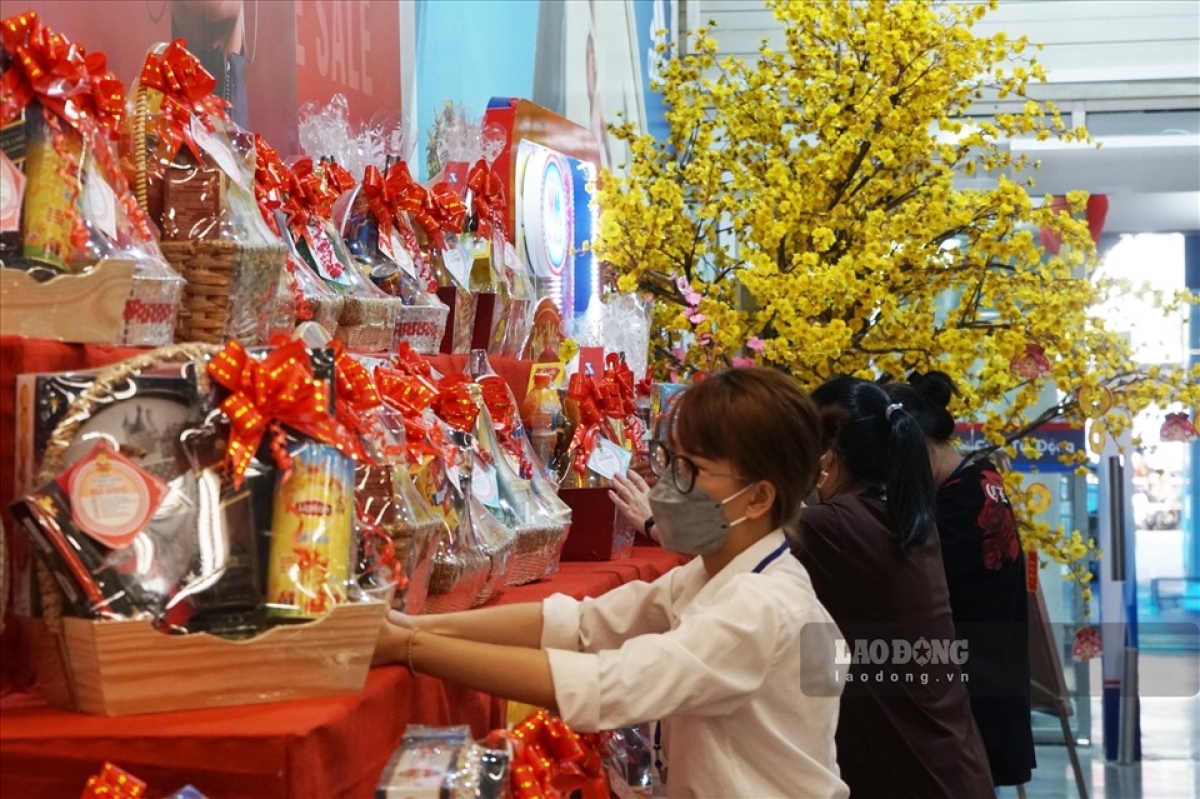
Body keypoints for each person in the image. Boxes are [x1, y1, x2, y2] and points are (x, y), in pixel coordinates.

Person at [374, 367, 849, 798]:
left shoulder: (761, 604)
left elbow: (606, 686)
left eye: (694, 470)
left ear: (758, 498)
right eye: (672, 461)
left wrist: (412, 649)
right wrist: (413, 628)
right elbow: (581, 624)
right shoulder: (713, 574)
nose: (670, 484)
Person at [794, 376, 993, 799]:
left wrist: (659, 520)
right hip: (946, 769)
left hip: (913, 775)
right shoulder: (898, 516)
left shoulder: (834, 527)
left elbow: (737, 541)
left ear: (826, 456)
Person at [883, 371, 1035, 789]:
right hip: (989, 682)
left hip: (972, 692)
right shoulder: (980, 479)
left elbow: (904, 587)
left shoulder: (957, 506)